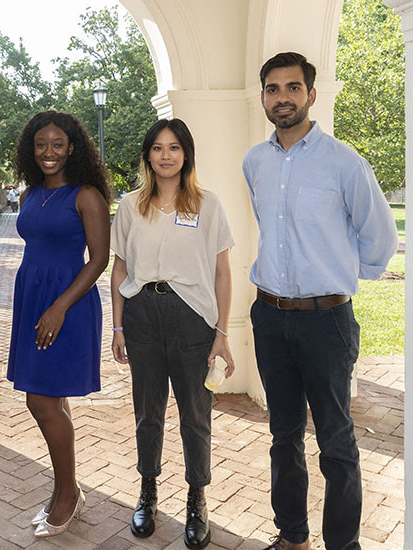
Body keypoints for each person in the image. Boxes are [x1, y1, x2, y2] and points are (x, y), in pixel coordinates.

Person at [243, 52, 399, 550]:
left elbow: (379, 233)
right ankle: (292, 537)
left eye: (292, 87)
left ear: (311, 94)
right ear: (263, 96)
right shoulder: (255, 162)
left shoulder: (344, 162)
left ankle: (342, 545)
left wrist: (345, 278)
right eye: (272, 88)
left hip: (326, 322)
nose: (282, 97)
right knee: (283, 436)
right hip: (269, 317)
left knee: (336, 441)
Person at [110, 118, 235, 549]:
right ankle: (148, 492)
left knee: (195, 414)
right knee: (148, 411)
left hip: (192, 318)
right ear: (148, 154)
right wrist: (119, 325)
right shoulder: (130, 205)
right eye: (158, 147)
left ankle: (197, 498)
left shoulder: (207, 204)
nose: (166, 155)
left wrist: (221, 332)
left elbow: (221, 271)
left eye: (175, 147)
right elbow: (120, 267)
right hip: (143, 312)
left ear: (186, 154)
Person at [6, 111, 110, 538]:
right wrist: (41, 304)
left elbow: (99, 260)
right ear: (32, 149)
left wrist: (60, 306)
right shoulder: (32, 194)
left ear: (73, 148)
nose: (49, 152)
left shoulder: (86, 196)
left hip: (68, 302)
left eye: (58, 144)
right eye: (41, 144)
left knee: (42, 401)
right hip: (34, 298)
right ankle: (66, 489)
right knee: (52, 398)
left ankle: (66, 493)